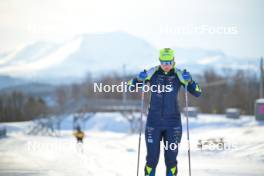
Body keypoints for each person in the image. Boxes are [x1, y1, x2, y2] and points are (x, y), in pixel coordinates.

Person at [128, 48, 202, 176]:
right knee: (151, 159)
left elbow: (197, 92)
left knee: (171, 160)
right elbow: (130, 87)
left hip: (173, 124)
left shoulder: (179, 74)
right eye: (163, 62)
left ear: (173, 61)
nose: (166, 65)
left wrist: (189, 81)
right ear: (159, 61)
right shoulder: (152, 73)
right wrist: (138, 79)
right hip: (154, 123)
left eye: (168, 62)